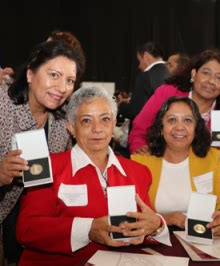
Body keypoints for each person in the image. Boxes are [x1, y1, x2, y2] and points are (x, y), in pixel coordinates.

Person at [0, 40, 86, 266]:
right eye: (54, 75)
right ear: (30, 74)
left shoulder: (63, 117)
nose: (62, 87)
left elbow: (65, 163)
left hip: (29, 211)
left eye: (70, 80)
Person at [16, 87, 170, 265]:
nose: (97, 129)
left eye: (105, 119)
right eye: (86, 121)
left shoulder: (138, 172)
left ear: (113, 125)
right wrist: (87, 229)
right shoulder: (46, 167)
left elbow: (145, 228)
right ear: (71, 128)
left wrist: (157, 226)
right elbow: (28, 229)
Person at [132, 97, 220, 237]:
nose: (179, 127)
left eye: (187, 120)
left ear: (196, 128)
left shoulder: (211, 158)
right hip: (156, 242)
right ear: (161, 127)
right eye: (172, 120)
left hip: (203, 239)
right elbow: (132, 215)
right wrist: (169, 219)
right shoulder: (141, 162)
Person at [129, 49, 220, 154]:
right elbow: (139, 132)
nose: (211, 81)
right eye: (206, 73)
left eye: (219, 78)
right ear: (194, 74)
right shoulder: (167, 94)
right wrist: (141, 148)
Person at [118, 41, 170, 122]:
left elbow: (134, 111)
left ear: (146, 56)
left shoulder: (145, 77)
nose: (139, 66)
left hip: (147, 131)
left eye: (139, 60)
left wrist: (121, 105)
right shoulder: (172, 74)